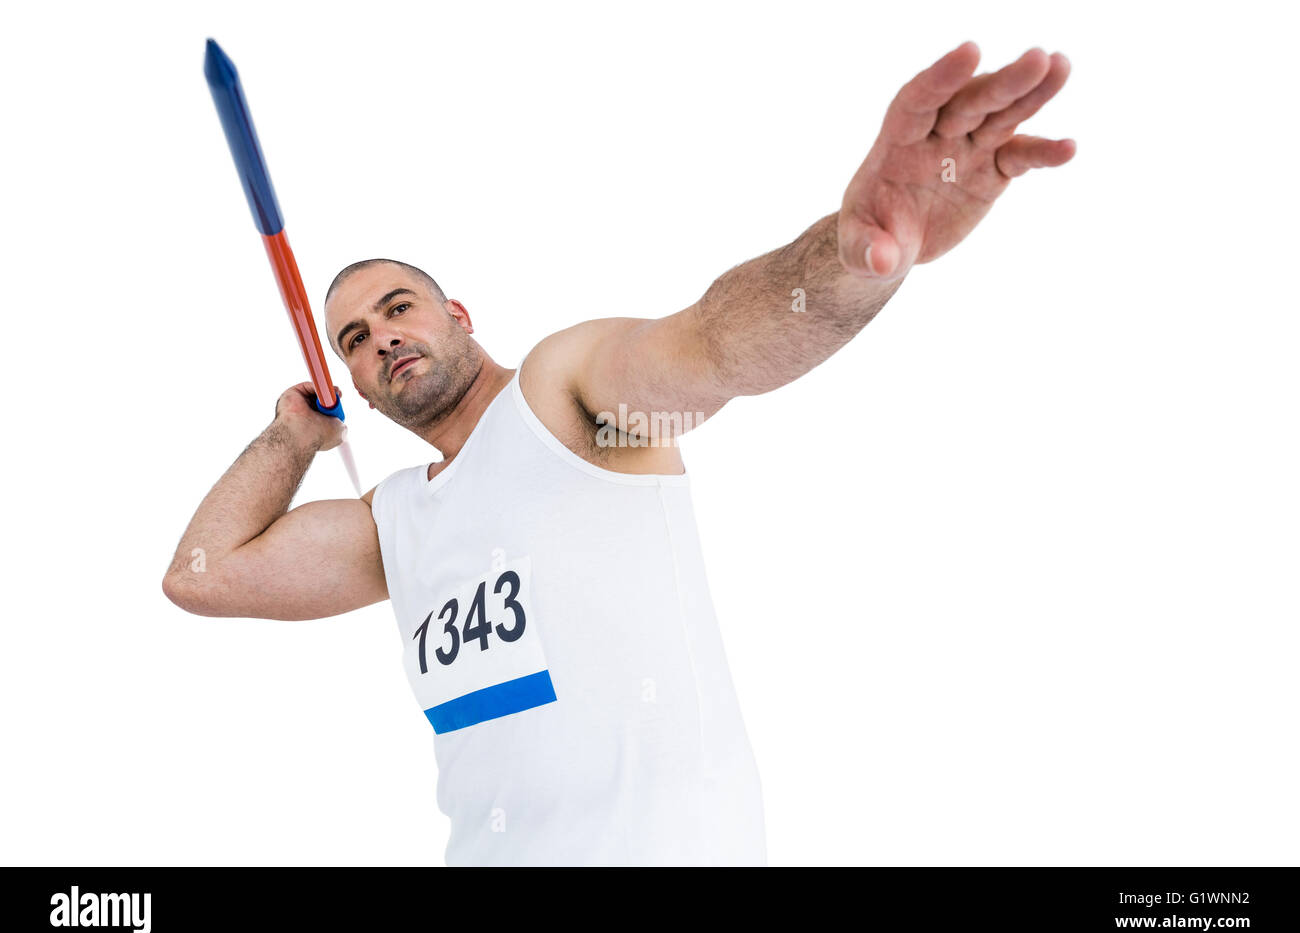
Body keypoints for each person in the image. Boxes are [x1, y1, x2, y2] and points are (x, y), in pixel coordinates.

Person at [163, 41, 1074, 865]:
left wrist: (849, 256)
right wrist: (291, 437)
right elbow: (202, 575)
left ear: (457, 316)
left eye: (400, 306)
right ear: (355, 387)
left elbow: (715, 349)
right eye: (354, 339)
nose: (381, 338)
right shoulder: (391, 525)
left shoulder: (570, 402)